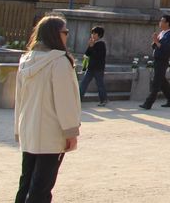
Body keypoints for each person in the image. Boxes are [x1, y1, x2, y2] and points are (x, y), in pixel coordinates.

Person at [14, 15, 81, 203]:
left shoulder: (25, 60)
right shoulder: (59, 62)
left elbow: (19, 99)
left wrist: (18, 129)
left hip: (29, 127)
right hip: (52, 131)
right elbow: (65, 101)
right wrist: (71, 131)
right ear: (55, 34)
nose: (67, 36)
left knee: (26, 183)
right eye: (65, 32)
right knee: (42, 187)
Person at [139, 14, 170, 109]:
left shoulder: (169, 35)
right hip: (157, 59)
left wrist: (156, 42)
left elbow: (165, 48)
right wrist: (155, 42)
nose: (160, 23)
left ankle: (148, 103)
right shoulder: (162, 33)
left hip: (162, 60)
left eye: (162, 21)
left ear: (167, 23)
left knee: (156, 83)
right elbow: (155, 45)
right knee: (162, 81)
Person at [79, 26, 108, 106]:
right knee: (83, 83)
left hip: (98, 68)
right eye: (92, 33)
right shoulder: (93, 43)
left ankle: (103, 100)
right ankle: (78, 99)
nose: (92, 35)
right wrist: (90, 46)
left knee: (100, 85)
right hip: (90, 68)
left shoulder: (101, 44)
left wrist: (92, 47)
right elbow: (87, 54)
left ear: (99, 35)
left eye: (94, 33)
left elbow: (98, 56)